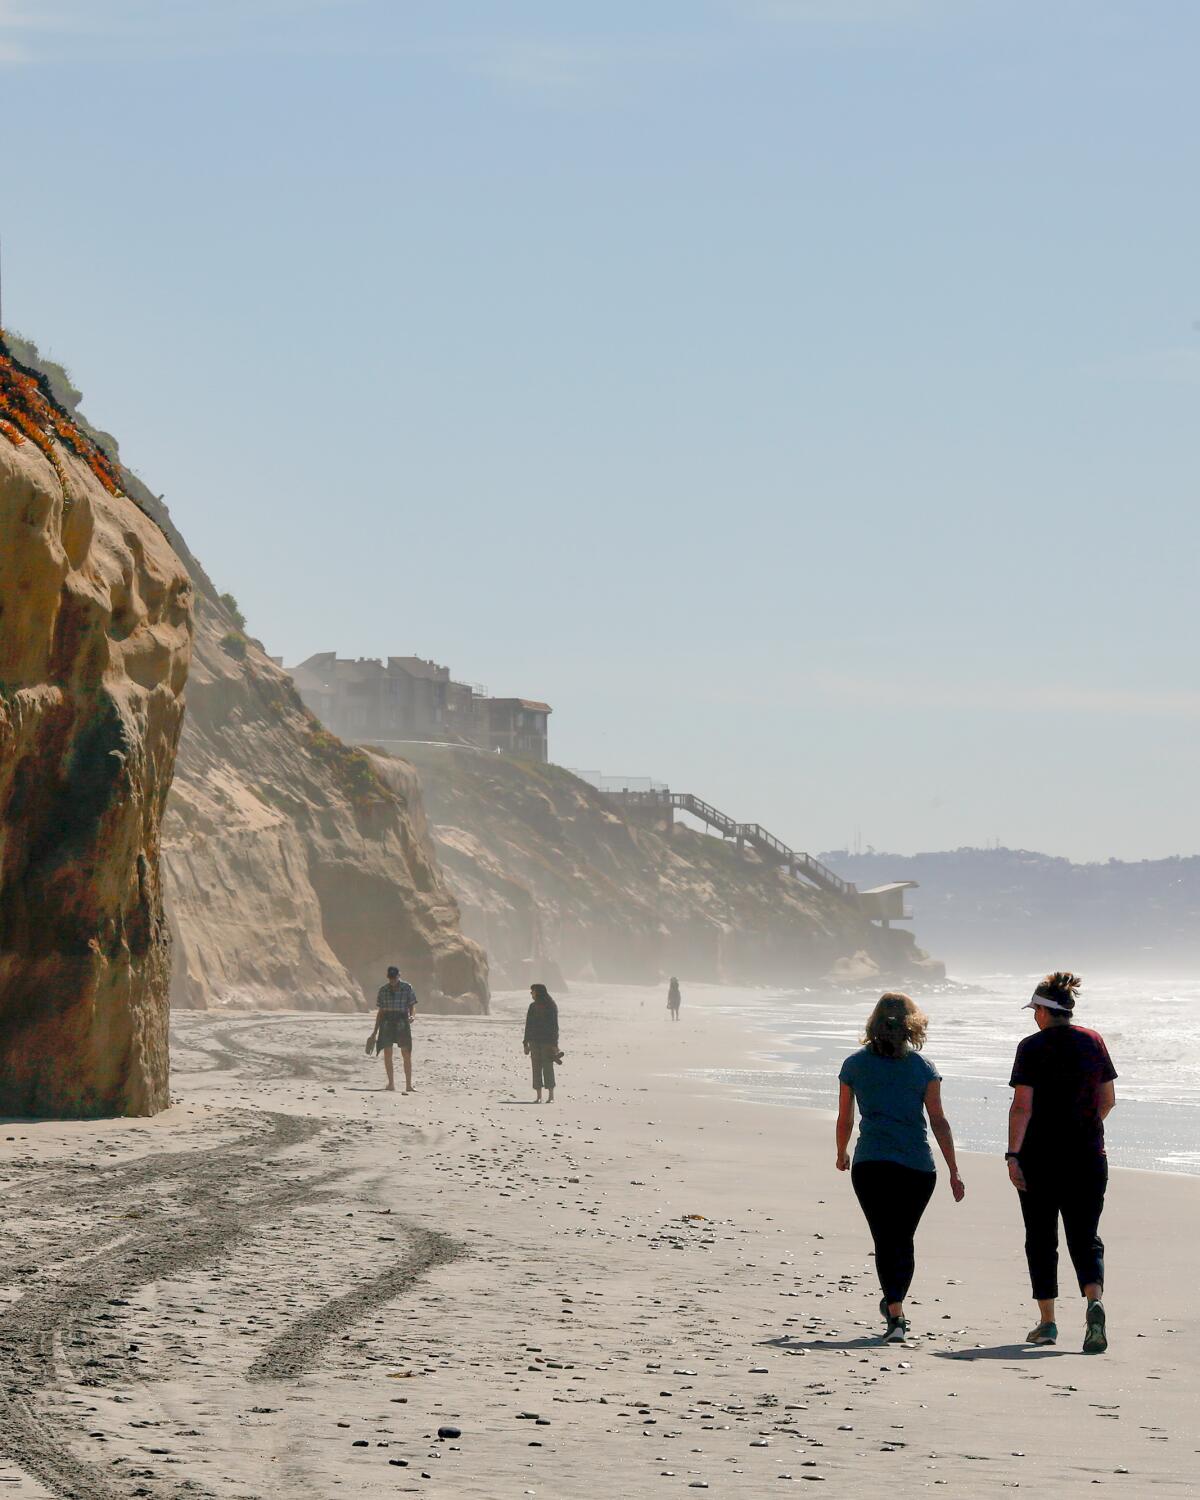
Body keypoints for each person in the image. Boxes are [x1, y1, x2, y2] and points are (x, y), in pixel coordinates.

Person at [836, 992, 966, 1342]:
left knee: (884, 1238)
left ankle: (895, 1311)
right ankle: (896, 1306)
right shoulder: (923, 1068)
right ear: (914, 1024)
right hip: (916, 1168)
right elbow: (938, 1121)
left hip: (871, 1164)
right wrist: (953, 1169)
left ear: (874, 1022)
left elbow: (845, 1117)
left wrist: (841, 1151)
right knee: (903, 1239)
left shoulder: (854, 1065)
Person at [1007, 970, 1117, 1354]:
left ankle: (1048, 1323)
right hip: (1088, 1157)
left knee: (1041, 1237)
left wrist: (1013, 1155)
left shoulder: (1031, 1047)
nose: (1032, 1016)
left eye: (1034, 1009)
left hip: (1039, 1158)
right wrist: (1084, 1129)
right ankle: (1094, 1302)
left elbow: (1022, 1107)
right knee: (1085, 1236)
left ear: (1043, 1010)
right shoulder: (1094, 1041)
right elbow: (1108, 1100)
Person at [368, 966, 417, 1093]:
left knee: (406, 1052)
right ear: (388, 977)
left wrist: (412, 1016)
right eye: (391, 978)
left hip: (402, 1019)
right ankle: (391, 1084)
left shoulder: (407, 987)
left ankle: (408, 1085)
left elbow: (411, 1004)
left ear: (399, 976)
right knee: (387, 1052)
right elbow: (381, 1012)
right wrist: (374, 1032)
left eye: (394, 978)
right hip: (387, 1021)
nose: (393, 980)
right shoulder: (383, 990)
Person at [524, 983, 560, 1104]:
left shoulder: (551, 1006)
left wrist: (555, 1044)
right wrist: (525, 1043)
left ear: (538, 992)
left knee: (548, 1068)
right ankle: (539, 1096)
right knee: (536, 1068)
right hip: (534, 1041)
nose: (531, 993)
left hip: (547, 1042)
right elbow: (528, 1026)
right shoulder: (532, 1007)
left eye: (532, 991)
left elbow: (555, 1026)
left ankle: (551, 1096)